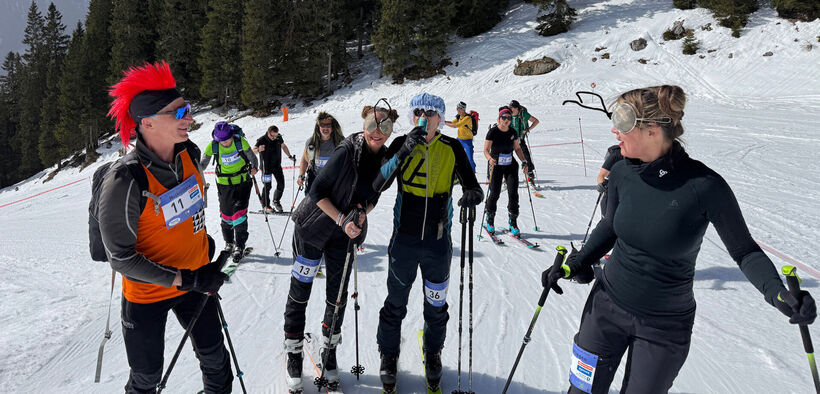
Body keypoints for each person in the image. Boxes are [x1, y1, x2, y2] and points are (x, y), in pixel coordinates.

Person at [541, 85, 817, 394]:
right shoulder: (621, 172)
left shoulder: (703, 186)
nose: (614, 130)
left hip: (663, 327)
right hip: (605, 308)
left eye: (622, 122)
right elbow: (610, 226)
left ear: (652, 130)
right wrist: (574, 264)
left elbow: (745, 251)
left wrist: (778, 294)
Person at [100, 61, 233, 393]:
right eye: (178, 112)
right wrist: (184, 277)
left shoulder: (189, 154)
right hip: (147, 296)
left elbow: (188, 211)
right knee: (146, 380)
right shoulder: (125, 180)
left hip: (196, 280)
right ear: (147, 122)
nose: (189, 117)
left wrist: (205, 250)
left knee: (217, 361)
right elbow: (120, 259)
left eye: (186, 109)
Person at [283, 104, 398, 392]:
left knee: (337, 296)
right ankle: (294, 351)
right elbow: (316, 191)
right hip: (312, 228)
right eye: (373, 125)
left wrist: (361, 212)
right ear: (365, 122)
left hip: (342, 236)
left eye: (384, 128)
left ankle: (329, 351)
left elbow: (374, 195)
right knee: (301, 290)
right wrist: (341, 219)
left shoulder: (383, 157)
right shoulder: (347, 150)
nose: (377, 133)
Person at [374, 93, 483, 393]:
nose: (425, 117)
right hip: (404, 243)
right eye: (419, 112)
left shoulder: (452, 148)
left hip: (437, 245)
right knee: (395, 303)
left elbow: (472, 183)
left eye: (431, 113)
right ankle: (389, 353)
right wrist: (401, 152)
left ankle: (433, 352)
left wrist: (473, 194)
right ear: (412, 116)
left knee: (436, 307)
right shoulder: (401, 144)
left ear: (441, 117)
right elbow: (378, 184)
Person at [200, 121, 258, 263]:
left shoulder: (240, 142)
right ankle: (229, 243)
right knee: (226, 215)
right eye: (221, 141)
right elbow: (202, 164)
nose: (225, 143)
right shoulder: (213, 146)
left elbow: (253, 158)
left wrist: (255, 167)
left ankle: (239, 245)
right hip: (224, 185)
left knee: (239, 214)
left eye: (227, 140)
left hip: (243, 182)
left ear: (232, 136)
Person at [482, 106, 529, 236]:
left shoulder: (513, 132)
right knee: (495, 192)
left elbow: (518, 149)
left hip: (510, 164)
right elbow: (485, 150)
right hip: (496, 164)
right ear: (499, 118)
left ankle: (513, 221)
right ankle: (490, 219)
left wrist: (524, 161)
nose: (506, 120)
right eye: (504, 117)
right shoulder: (493, 132)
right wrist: (490, 158)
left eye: (509, 117)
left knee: (513, 193)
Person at [296, 112, 344, 194]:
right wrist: (301, 175)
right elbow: (304, 160)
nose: (325, 128)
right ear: (318, 127)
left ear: (332, 127)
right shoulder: (311, 142)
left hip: (333, 180)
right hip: (315, 178)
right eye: (322, 125)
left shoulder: (340, 142)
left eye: (328, 125)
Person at [253, 125, 296, 213]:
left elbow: (283, 146)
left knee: (281, 184)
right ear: (268, 133)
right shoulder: (261, 140)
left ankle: (276, 201)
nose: (274, 138)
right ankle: (266, 205)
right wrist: (258, 150)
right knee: (267, 186)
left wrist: (290, 156)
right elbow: (253, 150)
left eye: (276, 136)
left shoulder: (278, 137)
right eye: (272, 136)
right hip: (266, 168)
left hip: (277, 166)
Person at [509, 100, 539, 181]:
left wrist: (528, 129)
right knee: (508, 157)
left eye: (511, 107)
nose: (510, 109)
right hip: (510, 139)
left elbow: (536, 121)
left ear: (516, 108)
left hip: (520, 139)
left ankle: (529, 172)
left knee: (526, 156)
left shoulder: (523, 114)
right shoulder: (508, 114)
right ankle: (508, 176)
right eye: (509, 107)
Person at [444, 101, 477, 172]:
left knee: (469, 158)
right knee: (453, 155)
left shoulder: (467, 118)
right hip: (459, 139)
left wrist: (444, 123)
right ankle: (455, 171)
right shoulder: (459, 116)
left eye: (458, 109)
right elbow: (453, 122)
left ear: (462, 109)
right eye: (457, 108)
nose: (457, 110)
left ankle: (472, 173)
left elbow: (456, 125)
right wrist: (444, 121)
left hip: (467, 141)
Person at [596, 144, 622, 218]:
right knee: (608, 220)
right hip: (612, 192)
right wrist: (601, 184)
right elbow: (601, 175)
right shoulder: (616, 154)